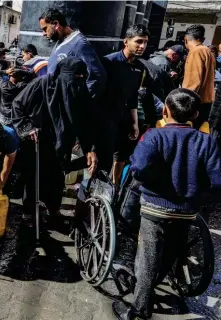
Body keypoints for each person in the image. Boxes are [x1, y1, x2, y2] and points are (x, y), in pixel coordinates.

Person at [112, 88, 221, 320]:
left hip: (155, 208)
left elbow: (138, 168)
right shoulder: (205, 142)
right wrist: (196, 190)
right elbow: (220, 181)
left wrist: (156, 182)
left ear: (165, 110)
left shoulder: (155, 136)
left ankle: (139, 312)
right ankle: (155, 280)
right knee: (171, 252)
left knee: (147, 257)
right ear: (195, 114)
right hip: (187, 211)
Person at [12, 57, 97, 220]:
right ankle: (29, 212)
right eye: (74, 77)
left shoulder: (81, 91)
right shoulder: (42, 84)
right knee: (33, 178)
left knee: (57, 178)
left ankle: (53, 209)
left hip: (63, 142)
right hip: (37, 140)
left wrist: (90, 149)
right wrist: (27, 128)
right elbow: (18, 105)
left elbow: (87, 123)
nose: (77, 82)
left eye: (81, 78)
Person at [101, 24, 149, 185]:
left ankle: (115, 188)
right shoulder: (109, 62)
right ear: (126, 42)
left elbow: (133, 96)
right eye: (138, 41)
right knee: (104, 158)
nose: (142, 46)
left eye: (145, 42)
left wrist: (135, 123)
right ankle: (97, 191)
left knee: (121, 155)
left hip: (125, 118)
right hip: (106, 118)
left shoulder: (140, 67)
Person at [40, 8, 106, 100]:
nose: (43, 33)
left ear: (56, 24)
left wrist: (77, 104)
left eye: (45, 29)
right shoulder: (60, 41)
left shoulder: (79, 44)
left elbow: (96, 76)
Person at [183, 24, 216, 129]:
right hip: (206, 102)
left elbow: (193, 83)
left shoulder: (196, 52)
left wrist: (183, 103)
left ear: (186, 40)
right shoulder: (208, 51)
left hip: (195, 103)